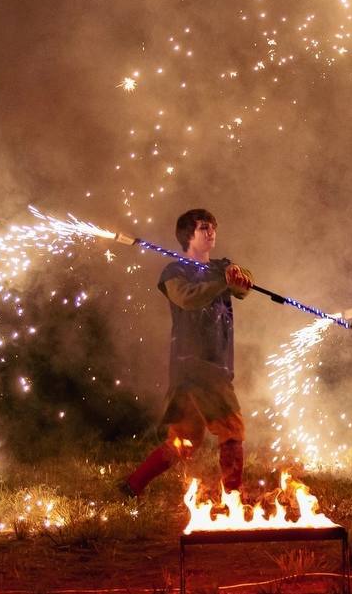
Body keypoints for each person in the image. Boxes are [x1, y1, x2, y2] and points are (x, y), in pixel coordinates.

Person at [120, 208, 254, 496]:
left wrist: (240, 277)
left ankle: (132, 485)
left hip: (210, 364)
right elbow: (188, 299)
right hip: (196, 364)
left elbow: (243, 288)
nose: (211, 232)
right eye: (204, 227)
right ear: (187, 235)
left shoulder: (222, 267)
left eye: (213, 227)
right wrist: (223, 282)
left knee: (184, 441)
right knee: (232, 428)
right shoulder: (174, 272)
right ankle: (233, 496)